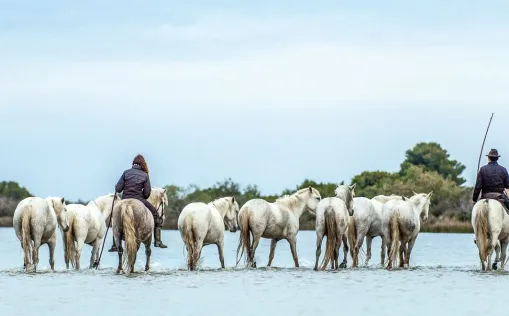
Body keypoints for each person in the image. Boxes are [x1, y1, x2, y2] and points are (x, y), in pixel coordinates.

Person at [108, 154, 167, 251]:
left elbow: (118, 189)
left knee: (115, 217)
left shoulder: (126, 173)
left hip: (124, 199)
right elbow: (147, 193)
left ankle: (115, 245)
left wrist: (116, 186)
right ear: (143, 164)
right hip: (139, 199)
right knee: (156, 216)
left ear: (133, 164)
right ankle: (158, 241)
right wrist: (141, 196)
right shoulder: (145, 175)